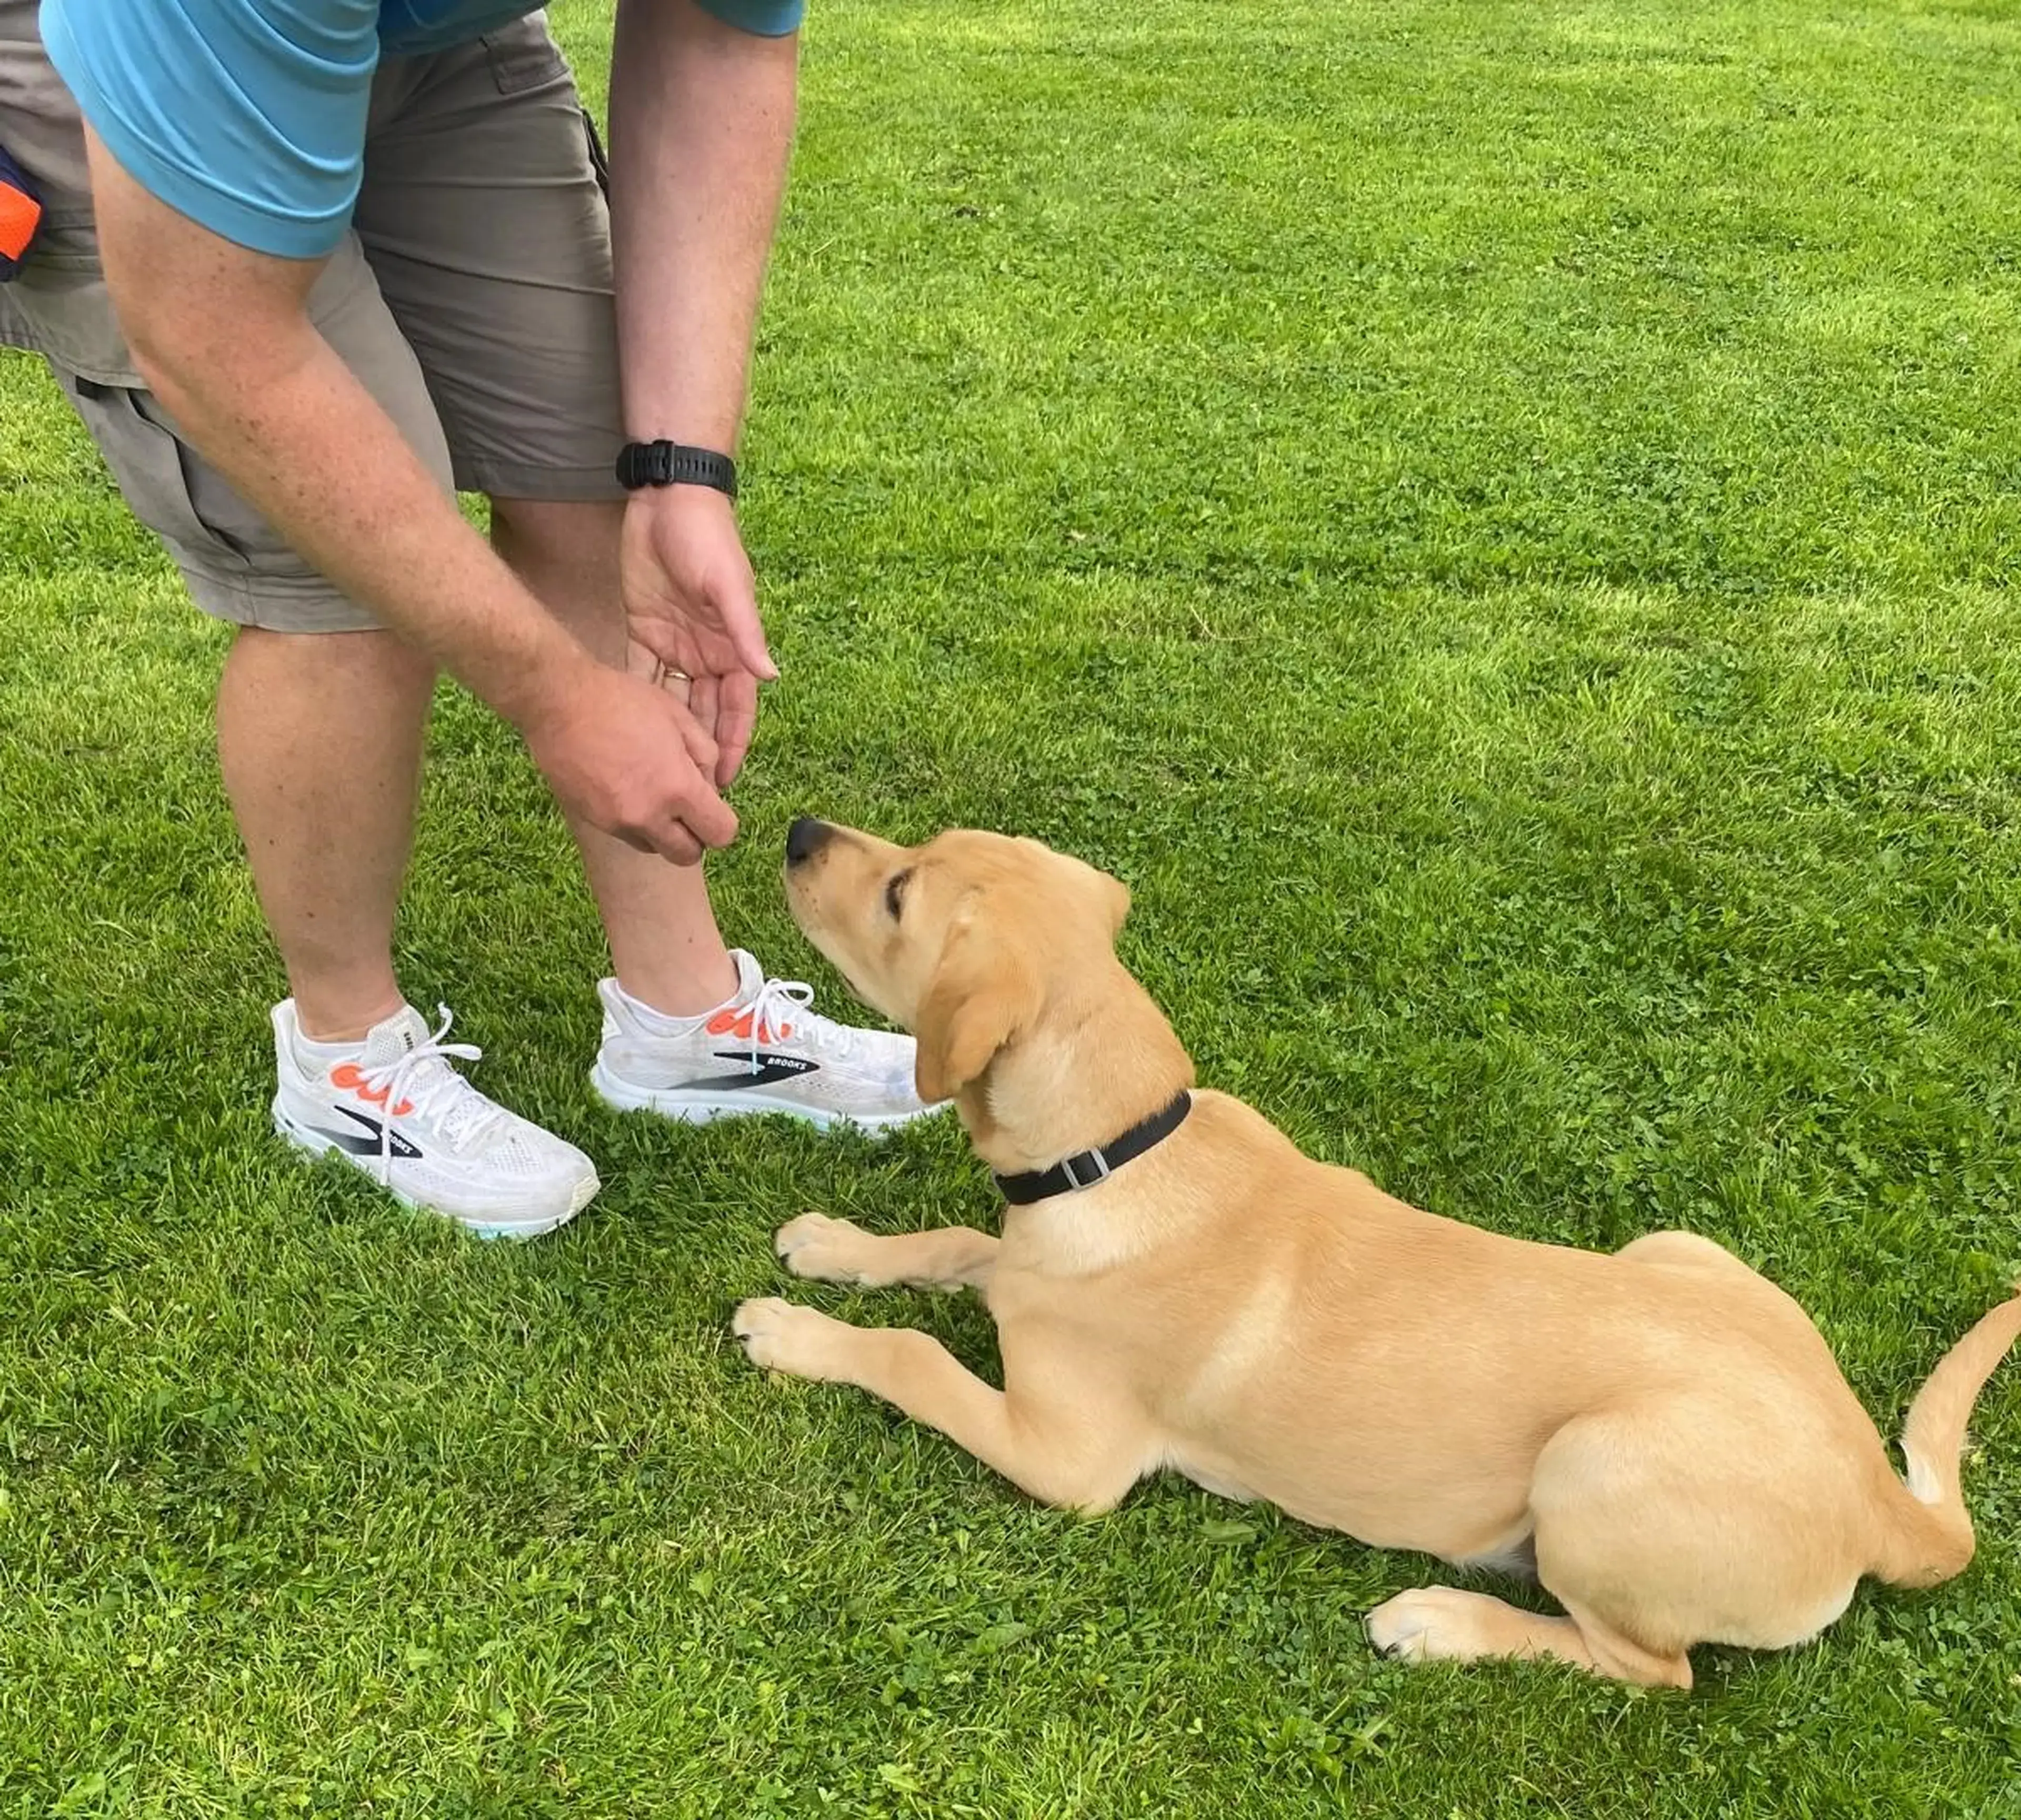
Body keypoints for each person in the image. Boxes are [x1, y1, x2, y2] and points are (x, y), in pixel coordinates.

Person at [0, 0, 939, 1239]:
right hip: (132, 56)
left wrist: (682, 474)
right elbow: (219, 345)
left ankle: (683, 1017)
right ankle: (344, 1058)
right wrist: (554, 696)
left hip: (434, 35)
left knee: (586, 476)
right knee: (341, 570)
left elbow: (719, 39)